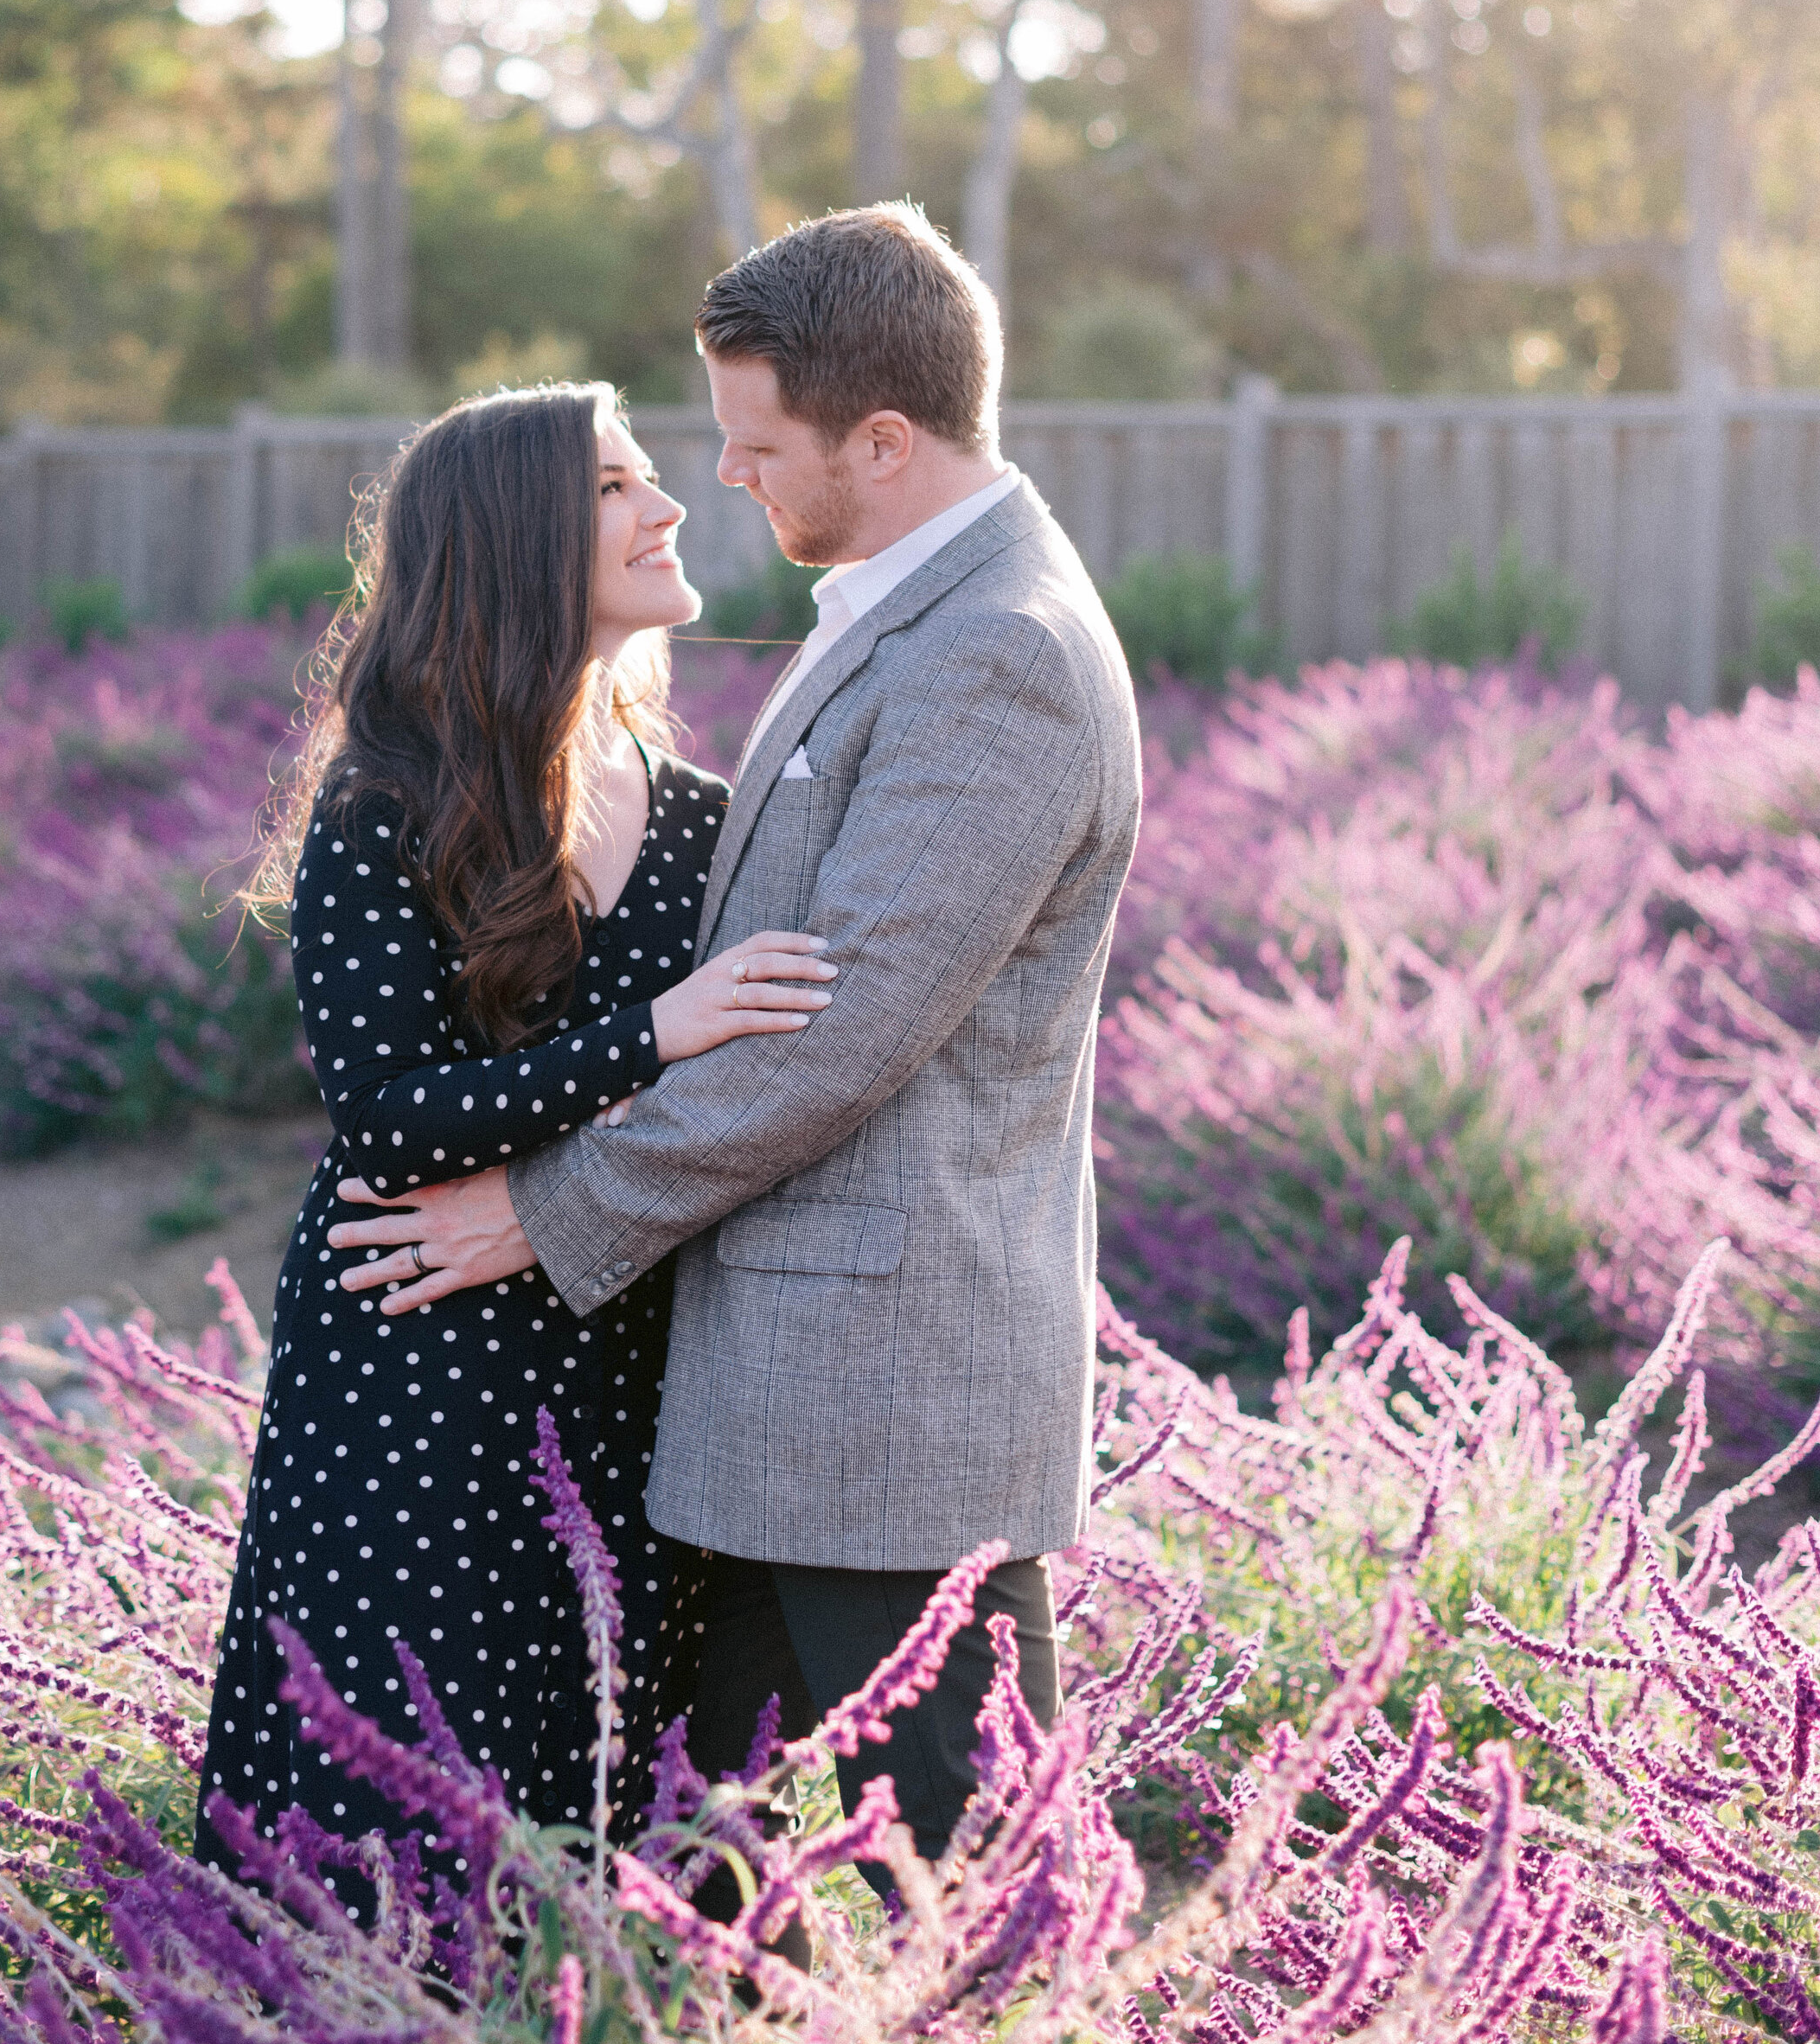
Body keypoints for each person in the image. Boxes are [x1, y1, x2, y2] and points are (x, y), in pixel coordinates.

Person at [329, 204, 1142, 1888]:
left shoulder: (996, 651)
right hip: (783, 1406)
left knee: (985, 1901)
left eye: (755, 442)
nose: (721, 475)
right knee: (720, 1904)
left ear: (885, 439)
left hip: (886, 1405)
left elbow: (827, 1041)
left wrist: (537, 1211)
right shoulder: (906, 610)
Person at [194, 384, 836, 1900]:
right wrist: (656, 1033)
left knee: (610, 1739)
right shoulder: (392, 801)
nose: (670, 507)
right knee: (414, 1754)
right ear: (516, 542)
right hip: (419, 1349)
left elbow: (746, 1095)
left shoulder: (698, 814)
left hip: (627, 1336)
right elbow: (389, 1112)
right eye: (619, 486)